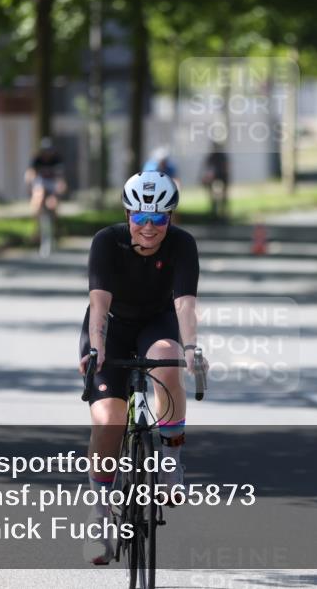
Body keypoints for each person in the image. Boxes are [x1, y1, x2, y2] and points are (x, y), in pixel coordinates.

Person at [78, 170, 208, 564]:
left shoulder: (183, 245)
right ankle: (100, 517)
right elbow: (99, 304)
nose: (149, 228)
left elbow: (184, 304)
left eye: (159, 219)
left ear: (171, 218)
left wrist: (192, 349)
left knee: (167, 360)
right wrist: (97, 351)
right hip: (111, 328)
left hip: (157, 322)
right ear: (127, 214)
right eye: (140, 218)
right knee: (109, 420)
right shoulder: (106, 242)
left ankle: (170, 460)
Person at [24, 137, 67, 256]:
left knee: (52, 204)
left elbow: (60, 179)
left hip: (52, 184)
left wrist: (59, 189)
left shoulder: (57, 160)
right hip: (41, 183)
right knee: (39, 195)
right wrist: (30, 182)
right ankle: (36, 226)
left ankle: (56, 225)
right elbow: (30, 173)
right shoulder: (37, 159)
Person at [200, 139, 229, 221]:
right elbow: (207, 168)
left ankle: (222, 214)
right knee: (214, 197)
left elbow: (224, 169)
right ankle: (214, 213)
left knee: (221, 197)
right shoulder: (211, 156)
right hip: (215, 180)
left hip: (221, 179)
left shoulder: (222, 156)